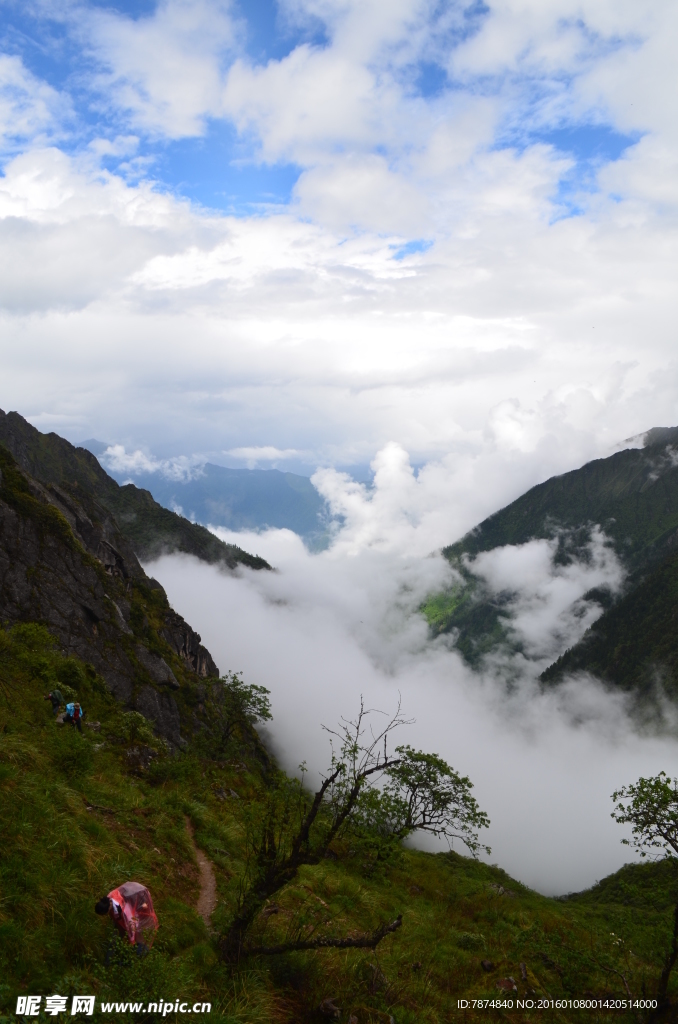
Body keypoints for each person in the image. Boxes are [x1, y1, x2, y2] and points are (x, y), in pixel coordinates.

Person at [95, 882, 158, 956]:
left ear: (108, 910)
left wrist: (132, 941)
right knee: (116, 938)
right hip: (133, 905)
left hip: (138, 913)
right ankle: (110, 960)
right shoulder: (109, 899)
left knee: (139, 944)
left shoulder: (125, 911)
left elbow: (131, 925)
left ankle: (132, 957)